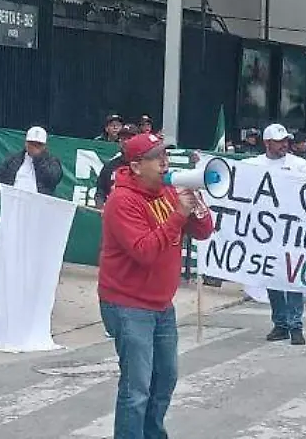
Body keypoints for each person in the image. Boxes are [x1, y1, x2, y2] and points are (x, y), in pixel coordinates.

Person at [99, 132, 214, 439]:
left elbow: (204, 231)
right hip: (128, 304)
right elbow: (144, 252)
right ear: (136, 166)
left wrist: (196, 203)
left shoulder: (168, 192)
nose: (165, 163)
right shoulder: (121, 201)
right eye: (157, 157)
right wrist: (178, 215)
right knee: (137, 388)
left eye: (166, 155)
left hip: (161, 304)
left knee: (164, 380)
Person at [243, 123, 306, 345]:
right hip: (267, 233)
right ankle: (281, 324)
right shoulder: (254, 164)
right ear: (267, 143)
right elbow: (229, 174)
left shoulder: (298, 165)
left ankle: (296, 326)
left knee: (293, 279)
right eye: (279, 141)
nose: (284, 144)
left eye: (286, 140)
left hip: (292, 231)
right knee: (273, 278)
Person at [0, 126, 62, 195]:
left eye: (39, 144)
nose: (34, 146)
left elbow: (53, 179)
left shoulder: (52, 161)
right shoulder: (13, 159)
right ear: (26, 143)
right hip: (13, 199)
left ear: (44, 146)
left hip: (39, 200)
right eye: (31, 143)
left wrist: (38, 158)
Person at [95, 124, 138, 207]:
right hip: (115, 210)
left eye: (129, 138)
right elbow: (100, 191)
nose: (126, 142)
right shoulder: (110, 166)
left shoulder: (145, 165)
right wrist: (100, 206)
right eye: (123, 138)